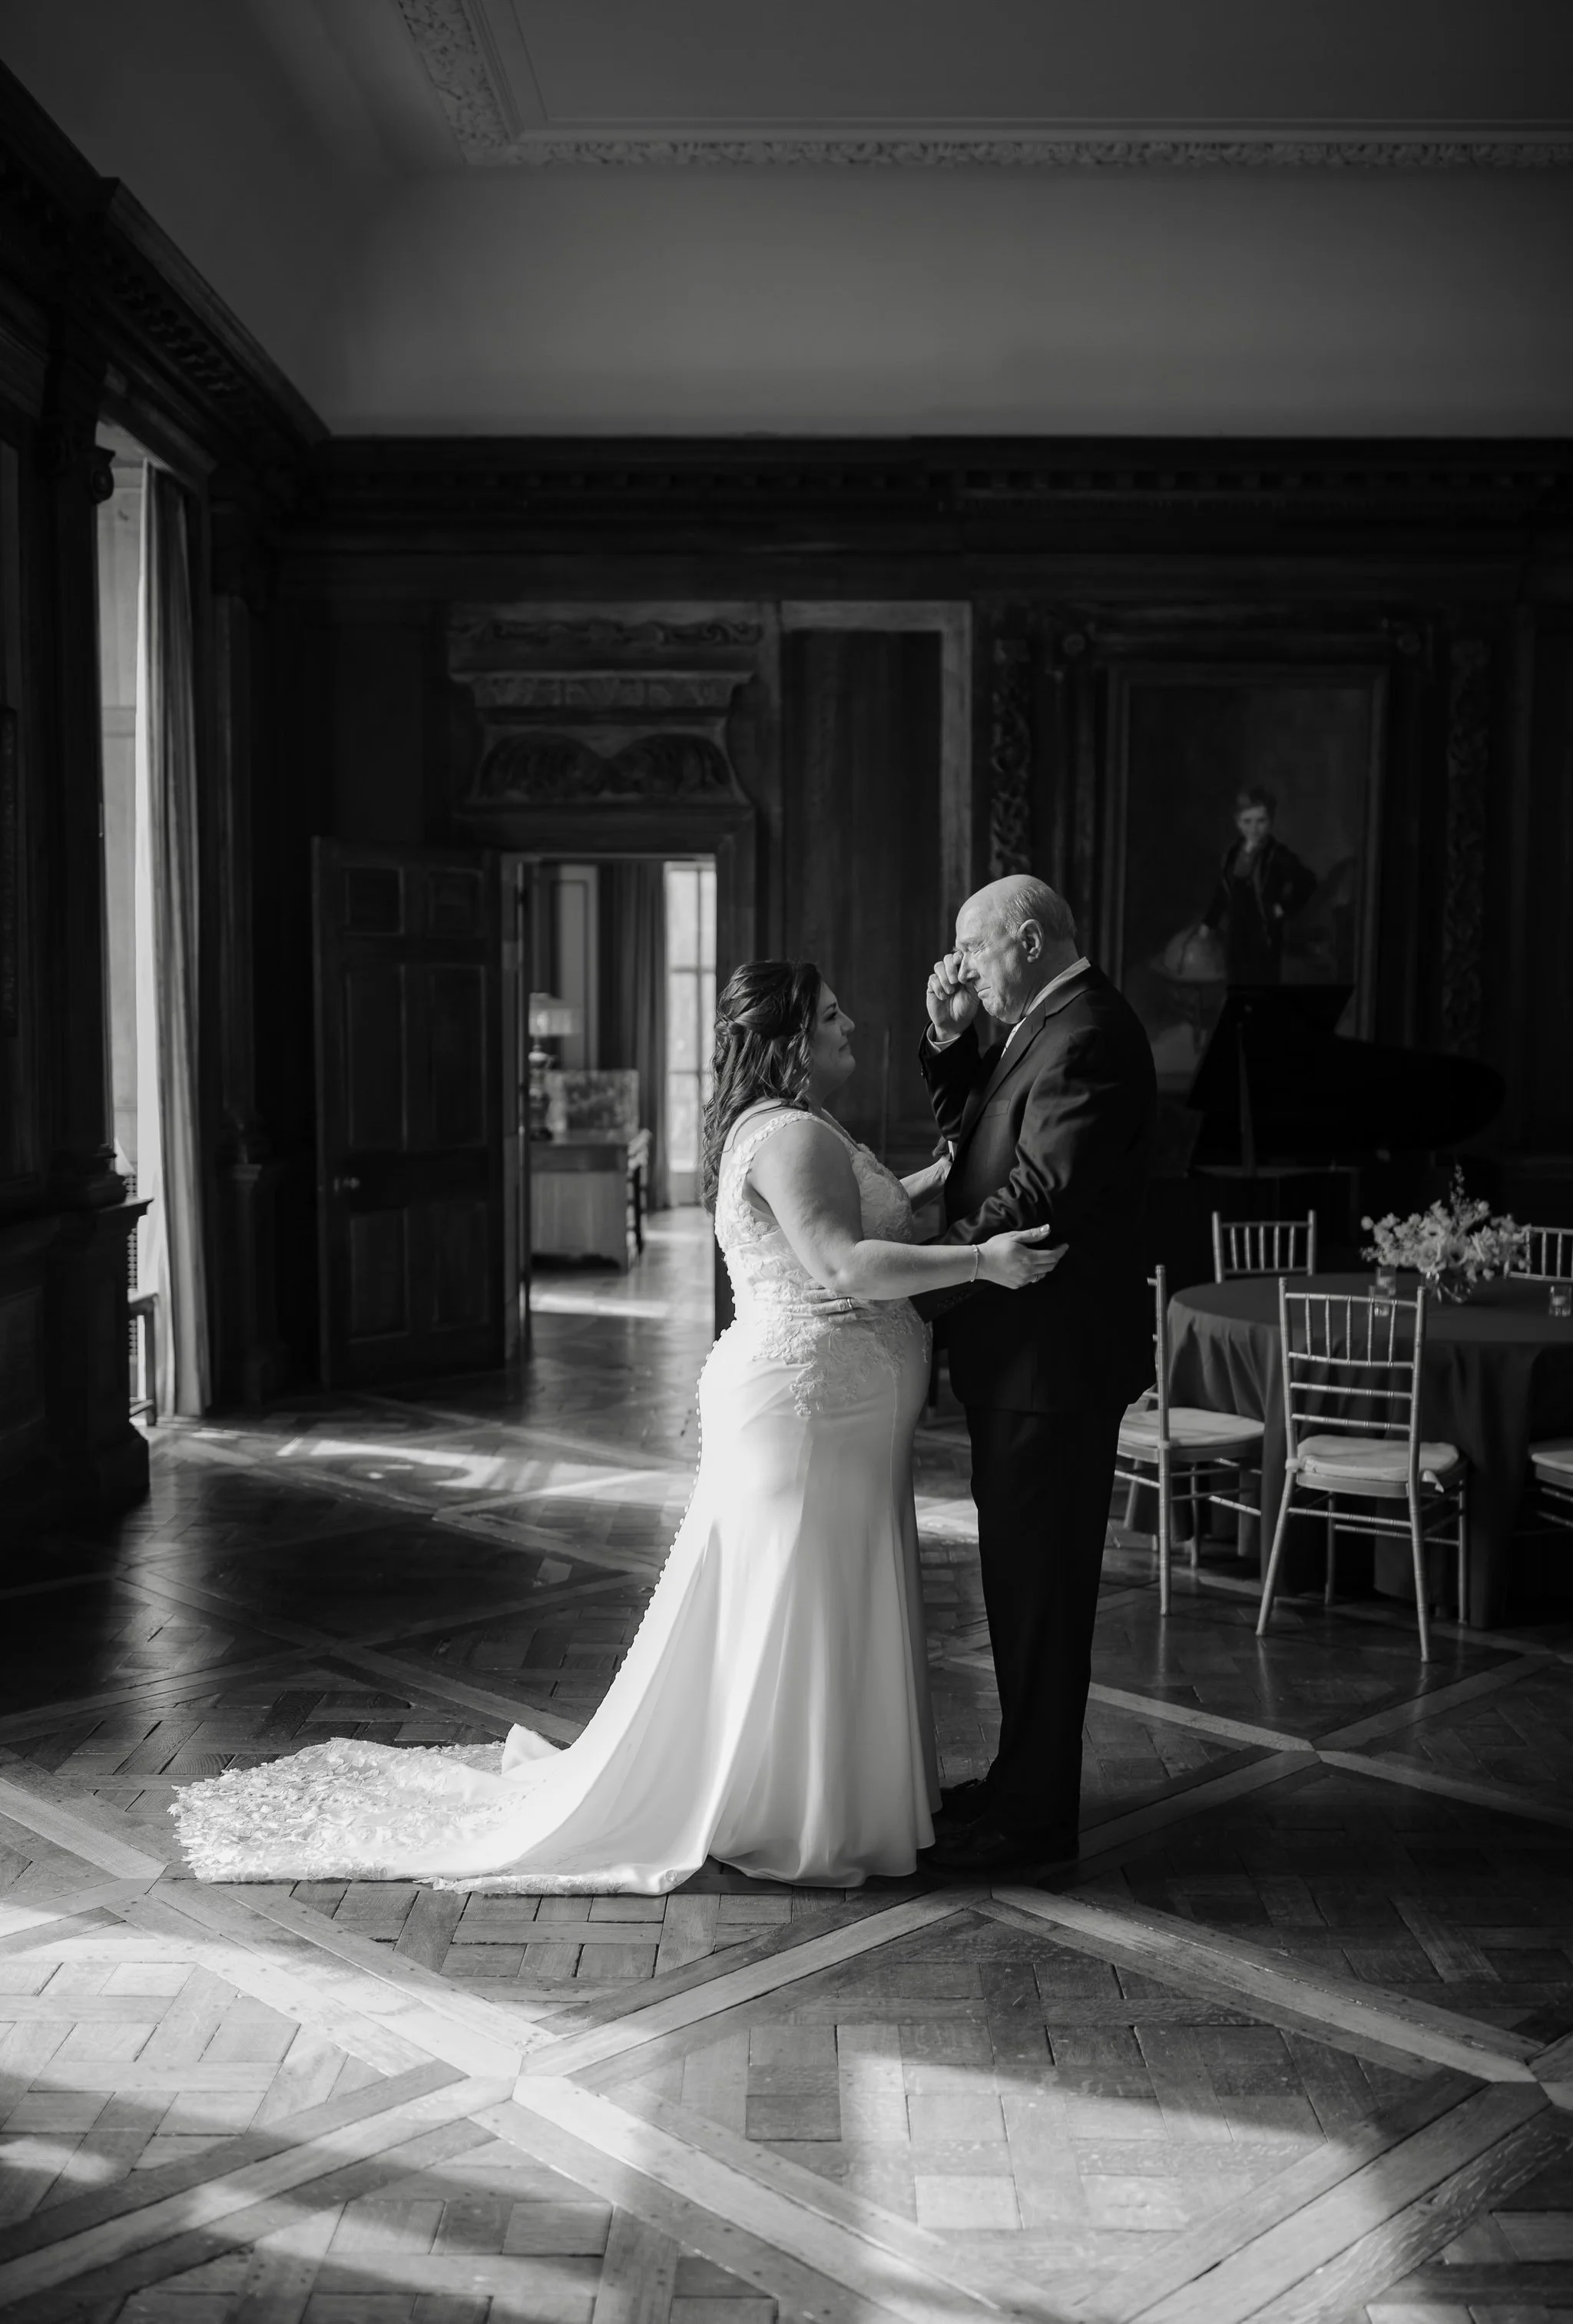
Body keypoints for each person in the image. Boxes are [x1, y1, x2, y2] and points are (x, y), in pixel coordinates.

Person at [171, 959, 1061, 1892]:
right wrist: (980, 1260)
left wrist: (947, 1148)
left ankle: (813, 1794)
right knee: (797, 1601)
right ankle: (788, 1811)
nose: (851, 1028)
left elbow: (880, 1206)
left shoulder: (807, 1125)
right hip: (807, 1413)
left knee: (811, 1599)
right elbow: (838, 1263)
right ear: (791, 1040)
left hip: (835, 1416)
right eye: (832, 1017)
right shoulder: (792, 1133)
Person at [919, 876, 1157, 1875]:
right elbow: (975, 1139)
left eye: (972, 953)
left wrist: (924, 1282)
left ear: (1026, 938)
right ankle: (1020, 1785)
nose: (963, 968)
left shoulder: (1089, 1032)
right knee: (1021, 1593)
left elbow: (1036, 1192)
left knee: (1043, 1601)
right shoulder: (1044, 1025)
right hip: (1024, 1364)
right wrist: (950, 1037)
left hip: (1050, 1369)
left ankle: (1035, 1823)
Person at [1201, 786, 1317, 985]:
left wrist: (1283, 908)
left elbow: (1307, 881)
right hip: (1236, 931)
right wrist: (1209, 922)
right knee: (1236, 980)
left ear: (1270, 821)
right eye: (1247, 821)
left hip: (1264, 932)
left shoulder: (1277, 855)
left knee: (1262, 983)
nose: (1254, 828)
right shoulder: (1232, 853)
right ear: (1238, 822)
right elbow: (1223, 890)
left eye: (1261, 821)